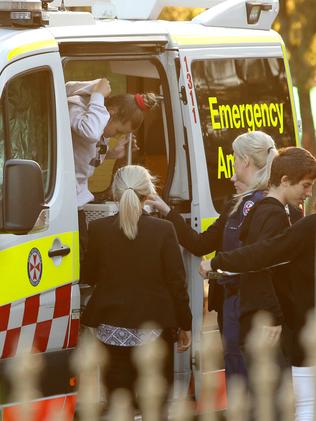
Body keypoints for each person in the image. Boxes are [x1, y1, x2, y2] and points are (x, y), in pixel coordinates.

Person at [147, 131, 278, 386]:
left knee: (248, 376)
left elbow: (257, 259)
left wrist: (218, 268)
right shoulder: (235, 204)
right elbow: (201, 243)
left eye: (234, 159)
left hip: (251, 305)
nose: (232, 169)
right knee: (235, 371)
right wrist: (167, 210)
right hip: (228, 302)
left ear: (245, 161)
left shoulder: (268, 204)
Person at [200, 149, 316, 421]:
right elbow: (264, 254)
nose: (308, 194)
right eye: (307, 186)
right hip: (301, 330)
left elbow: (265, 254)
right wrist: (218, 261)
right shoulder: (299, 221)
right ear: (285, 180)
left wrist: (217, 261)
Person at [81, 165, 192, 416]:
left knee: (119, 406)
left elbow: (89, 276)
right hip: (153, 331)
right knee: (154, 406)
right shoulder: (164, 230)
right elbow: (177, 283)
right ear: (148, 193)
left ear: (114, 193)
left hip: (109, 331)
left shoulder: (98, 230)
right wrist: (185, 324)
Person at [66, 78, 160, 272]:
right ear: (111, 112)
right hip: (67, 204)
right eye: (117, 130)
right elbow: (90, 132)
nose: (113, 135)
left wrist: (112, 154)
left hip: (76, 201)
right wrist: (98, 94)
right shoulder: (79, 109)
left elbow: (84, 157)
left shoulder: (96, 120)